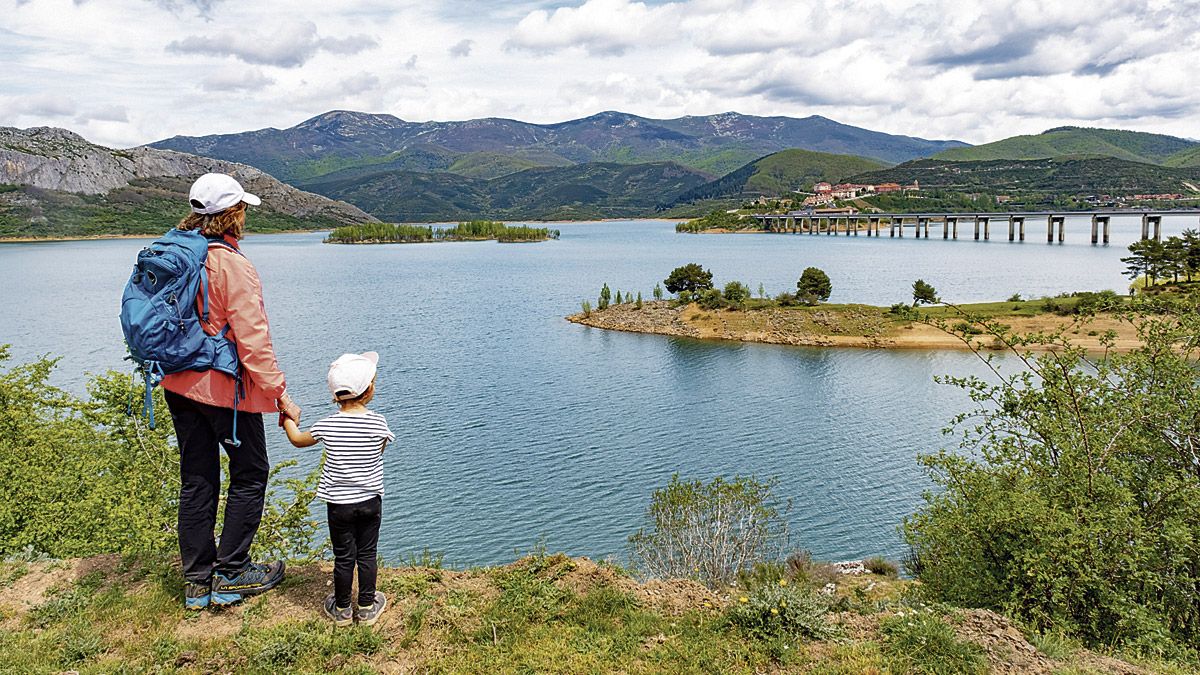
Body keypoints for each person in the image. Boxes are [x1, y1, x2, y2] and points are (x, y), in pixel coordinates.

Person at [162, 173, 302, 610]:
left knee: (198, 478)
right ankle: (232, 572)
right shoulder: (231, 263)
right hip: (223, 391)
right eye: (243, 209)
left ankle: (197, 583)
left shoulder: (176, 252)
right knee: (250, 473)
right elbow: (253, 340)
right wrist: (280, 394)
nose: (245, 216)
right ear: (233, 214)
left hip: (177, 382)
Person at [282, 351, 393, 626]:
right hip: (370, 501)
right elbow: (379, 450)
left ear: (335, 396)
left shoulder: (327, 424)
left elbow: (297, 439)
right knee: (367, 553)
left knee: (344, 555)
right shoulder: (378, 422)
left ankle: (342, 608)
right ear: (369, 391)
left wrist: (287, 418)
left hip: (339, 504)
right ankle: (367, 606)